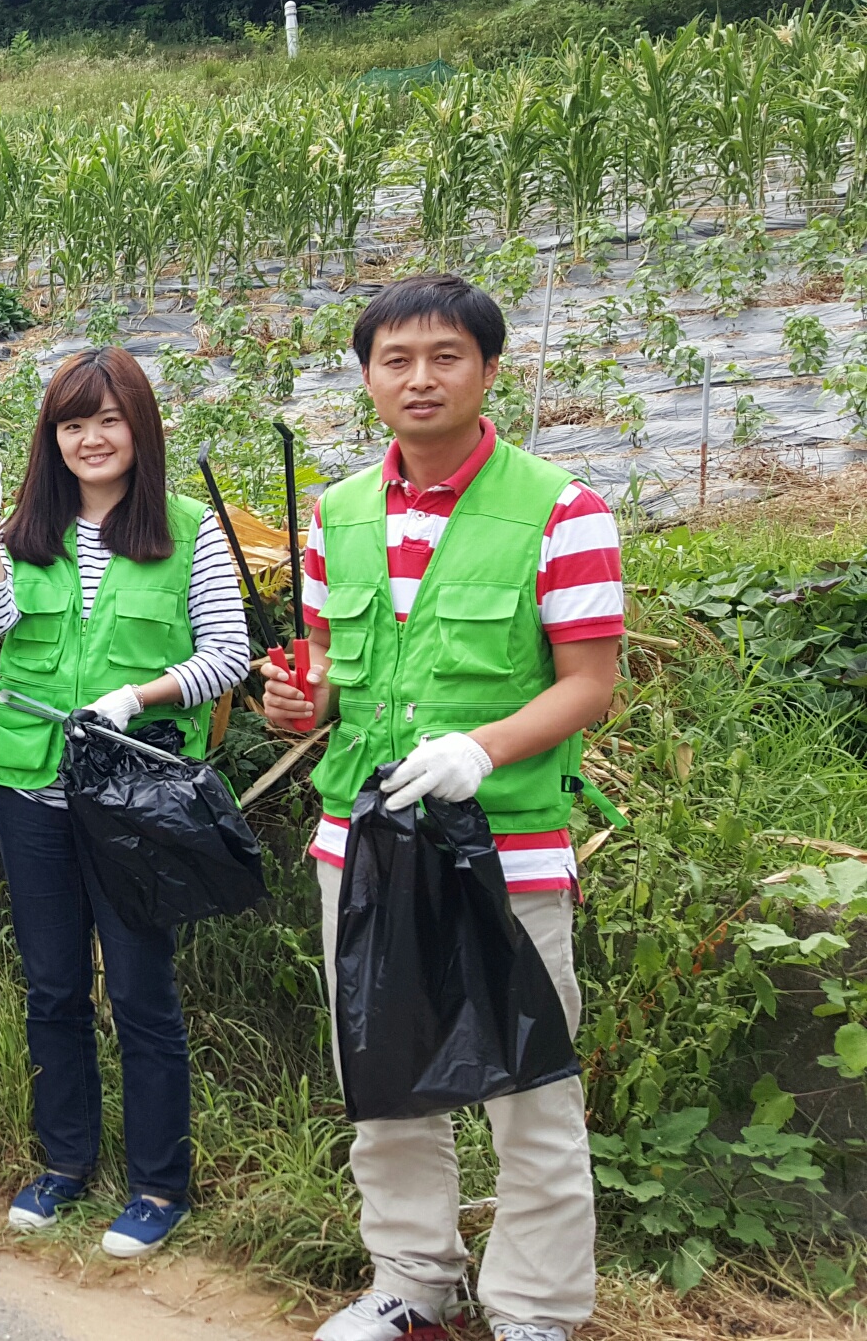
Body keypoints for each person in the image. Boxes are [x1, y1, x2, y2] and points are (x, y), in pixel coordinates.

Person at [262, 275, 619, 1341]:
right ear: (368, 377)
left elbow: (588, 681)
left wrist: (482, 747)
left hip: (505, 845)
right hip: (361, 838)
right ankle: (412, 1283)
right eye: (395, 360)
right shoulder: (336, 512)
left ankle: (534, 1309)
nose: (419, 378)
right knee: (382, 1071)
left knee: (531, 1087)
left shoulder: (560, 508)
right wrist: (298, 699)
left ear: (487, 370)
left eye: (444, 356)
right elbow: (327, 675)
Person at [0, 346, 252, 1257]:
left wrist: (139, 695)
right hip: (29, 783)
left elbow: (227, 654)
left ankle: (160, 1184)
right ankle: (64, 1163)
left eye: (108, 419)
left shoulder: (186, 527)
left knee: (140, 988)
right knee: (52, 985)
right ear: (52, 438)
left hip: (131, 793)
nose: (91, 438)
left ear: (140, 427)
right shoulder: (24, 528)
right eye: (72, 423)